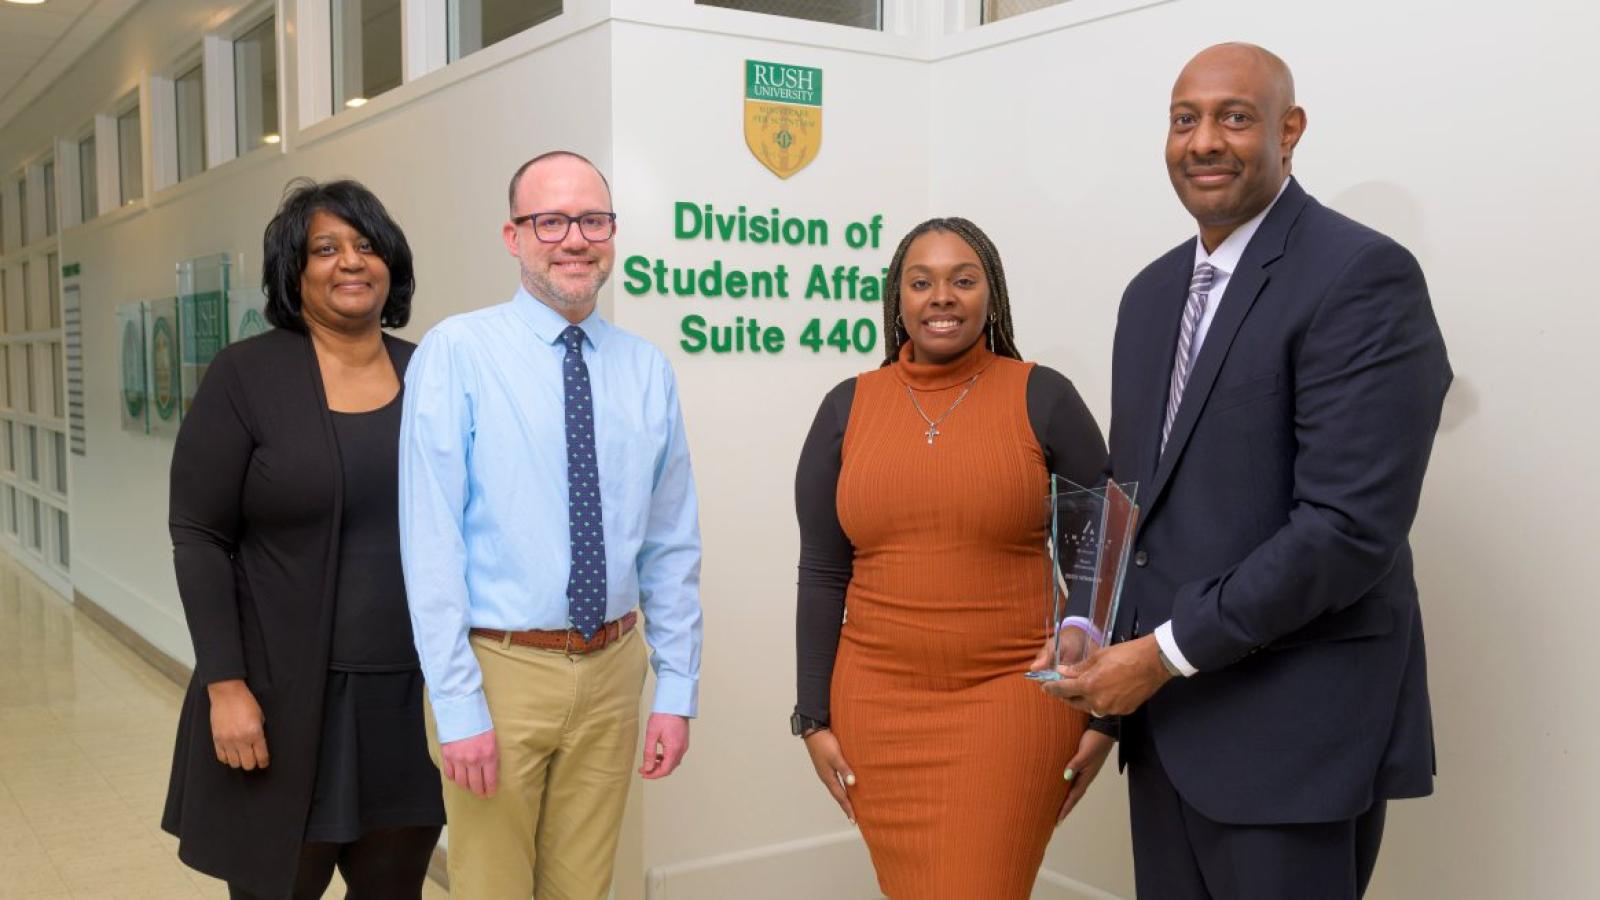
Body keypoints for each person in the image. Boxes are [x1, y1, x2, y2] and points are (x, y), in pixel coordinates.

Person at [1039, 44, 1450, 899]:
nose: (1204, 141)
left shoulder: (1361, 276)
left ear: (1288, 130)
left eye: (1234, 116)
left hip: (1291, 740)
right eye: (1185, 119)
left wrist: (1159, 654)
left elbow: (1346, 531)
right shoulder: (1150, 294)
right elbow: (1131, 495)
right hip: (1164, 731)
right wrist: (1088, 623)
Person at [399, 150, 703, 899]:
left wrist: (676, 688)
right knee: (494, 889)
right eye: (551, 220)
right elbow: (429, 543)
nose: (575, 239)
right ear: (514, 236)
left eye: (592, 220)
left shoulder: (645, 369)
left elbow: (670, 545)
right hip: (501, 674)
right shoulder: (458, 352)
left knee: (582, 891)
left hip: (612, 669)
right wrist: (458, 702)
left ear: (611, 233)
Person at [793, 217, 1109, 899]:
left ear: (989, 295)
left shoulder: (1042, 395)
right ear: (897, 299)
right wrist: (812, 717)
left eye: (963, 280)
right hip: (876, 703)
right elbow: (822, 570)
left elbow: (1106, 552)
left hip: (1013, 699)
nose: (942, 296)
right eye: (922, 281)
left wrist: (1106, 708)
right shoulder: (846, 408)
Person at [163, 178, 445, 900]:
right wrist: (226, 685)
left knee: (395, 890)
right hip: (281, 701)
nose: (350, 262)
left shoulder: (434, 372)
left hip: (407, 701)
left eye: (366, 245)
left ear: (392, 265)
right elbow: (198, 536)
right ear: (294, 271)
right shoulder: (246, 376)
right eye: (326, 248)